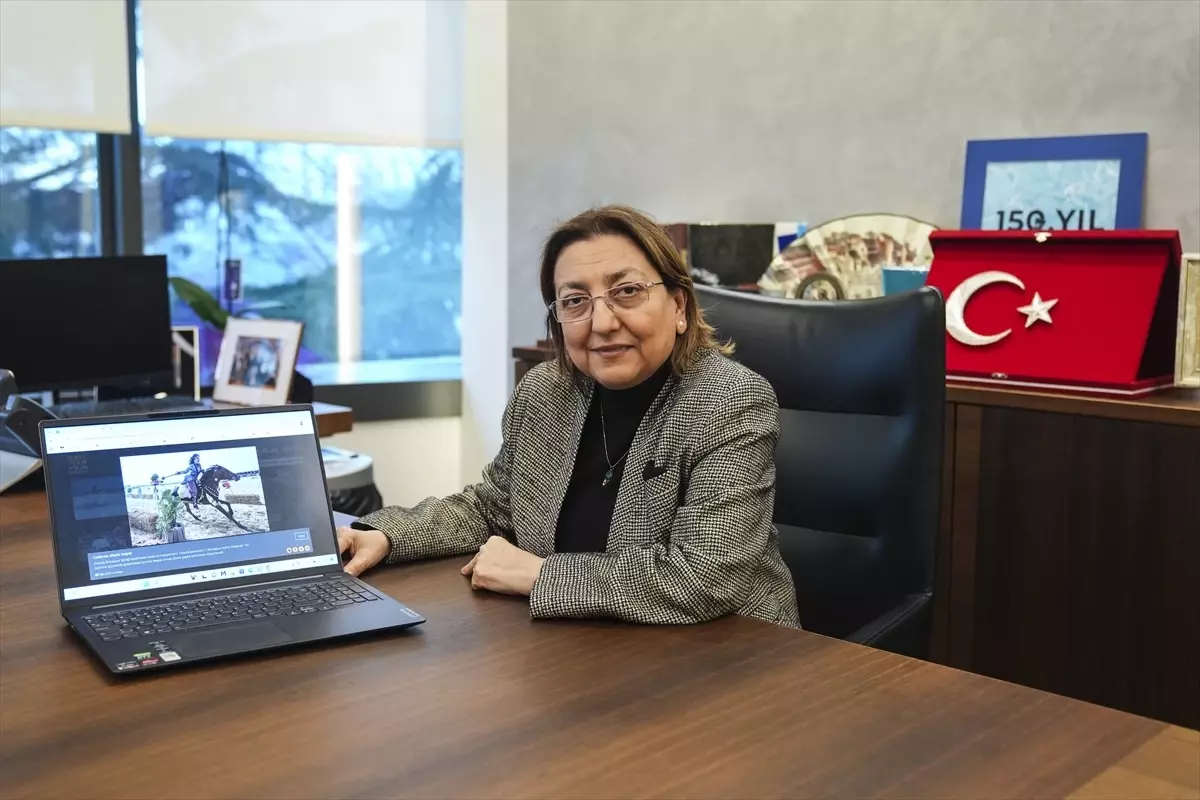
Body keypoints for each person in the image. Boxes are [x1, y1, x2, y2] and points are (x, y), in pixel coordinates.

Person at [338, 205, 799, 627]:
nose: (601, 322)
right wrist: (385, 534)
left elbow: (704, 577)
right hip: (588, 650)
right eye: (575, 301)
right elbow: (492, 508)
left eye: (627, 291)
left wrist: (539, 575)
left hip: (731, 659)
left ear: (678, 306)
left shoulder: (728, 400)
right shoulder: (545, 392)